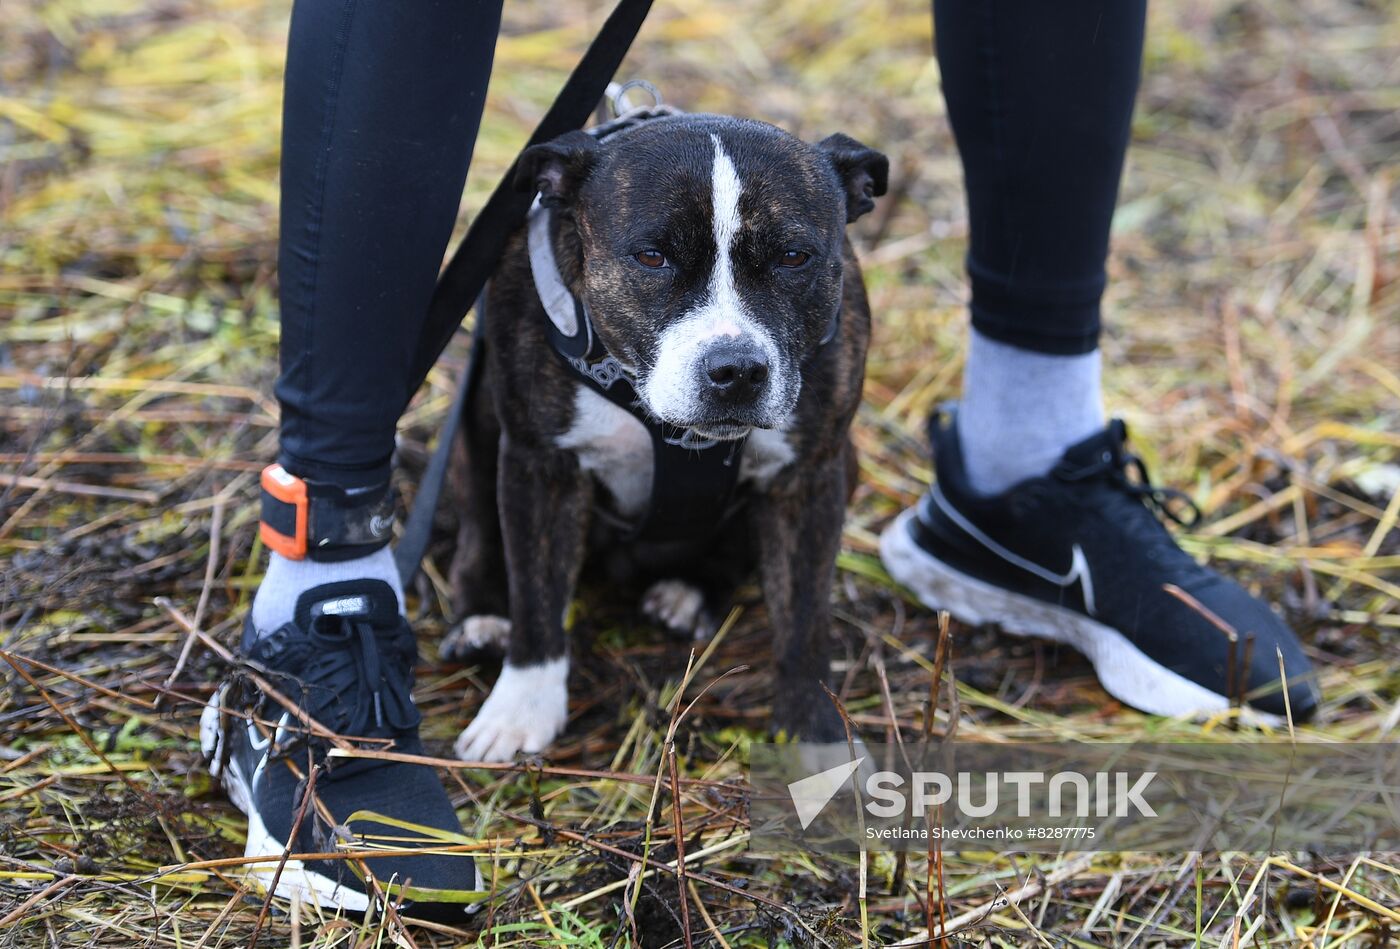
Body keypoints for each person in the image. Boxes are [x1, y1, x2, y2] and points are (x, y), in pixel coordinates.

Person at [203, 0, 1319, 918]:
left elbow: (810, 468)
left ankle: (1025, 464)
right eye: (660, 264)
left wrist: (807, 697)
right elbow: (525, 454)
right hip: (539, 496)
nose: (728, 336)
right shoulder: (557, 258)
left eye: (785, 261)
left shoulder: (814, 310)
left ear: (850, 209)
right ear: (564, 207)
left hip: (739, 513)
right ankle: (324, 570)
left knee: (787, 473)